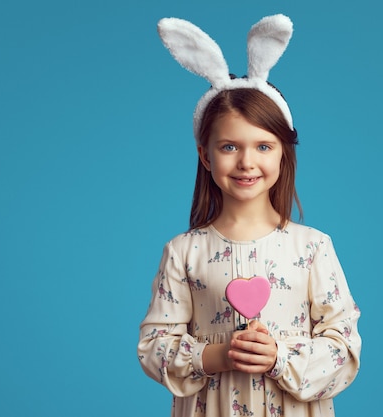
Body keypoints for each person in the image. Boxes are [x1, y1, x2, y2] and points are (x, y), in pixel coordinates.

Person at [137, 14, 361, 417]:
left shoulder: (312, 248)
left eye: (263, 146)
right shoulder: (184, 252)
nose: (246, 162)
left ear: (283, 153)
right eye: (228, 147)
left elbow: (344, 348)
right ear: (205, 155)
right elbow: (154, 346)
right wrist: (214, 356)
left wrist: (280, 356)